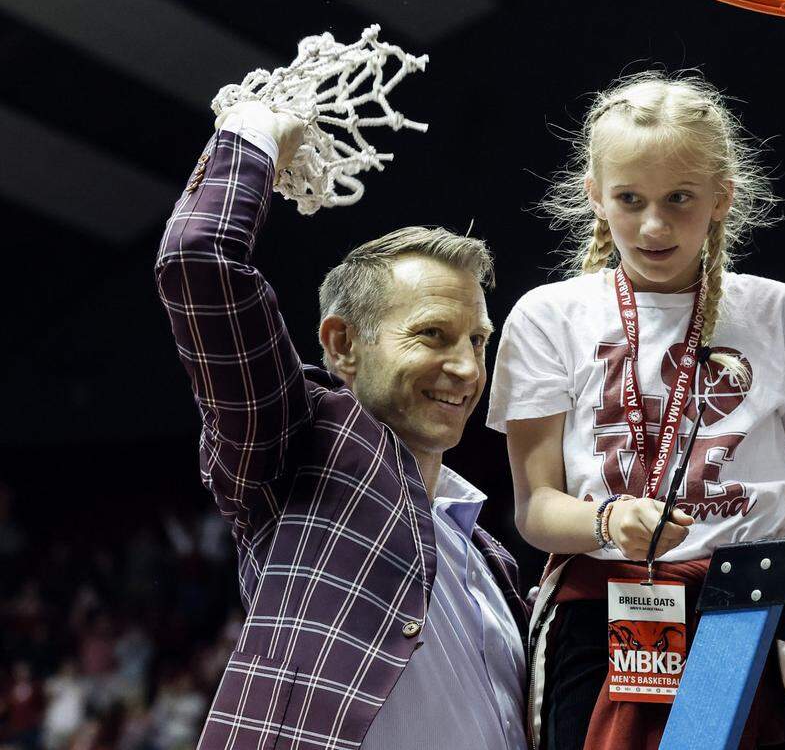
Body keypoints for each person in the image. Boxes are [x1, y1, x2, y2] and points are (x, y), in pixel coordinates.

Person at [487, 71, 785, 749]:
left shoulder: (782, 313)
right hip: (598, 612)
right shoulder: (547, 317)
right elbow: (535, 508)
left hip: (760, 608)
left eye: (680, 198)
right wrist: (607, 518)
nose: (654, 224)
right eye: (629, 199)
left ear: (723, 197)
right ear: (595, 198)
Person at [155, 100, 529, 749]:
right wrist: (253, 132)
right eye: (433, 335)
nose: (467, 367)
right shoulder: (300, 443)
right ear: (343, 343)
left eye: (478, 339)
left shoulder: (492, 559)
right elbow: (197, 259)